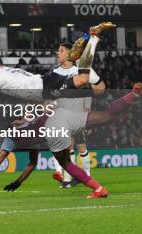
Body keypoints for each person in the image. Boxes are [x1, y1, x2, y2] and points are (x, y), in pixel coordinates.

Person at [0, 82, 142, 198]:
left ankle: (99, 189)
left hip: (52, 127)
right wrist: (18, 182)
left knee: (66, 163)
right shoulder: (23, 124)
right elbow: (32, 163)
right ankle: (134, 94)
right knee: (106, 116)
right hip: (61, 114)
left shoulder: (10, 141)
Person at [50, 42, 104, 188]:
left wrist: (87, 107)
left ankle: (84, 176)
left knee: (80, 147)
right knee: (67, 147)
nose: (57, 53)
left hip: (77, 114)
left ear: (69, 54)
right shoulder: (55, 73)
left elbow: (88, 89)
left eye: (60, 51)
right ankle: (68, 179)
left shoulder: (78, 71)